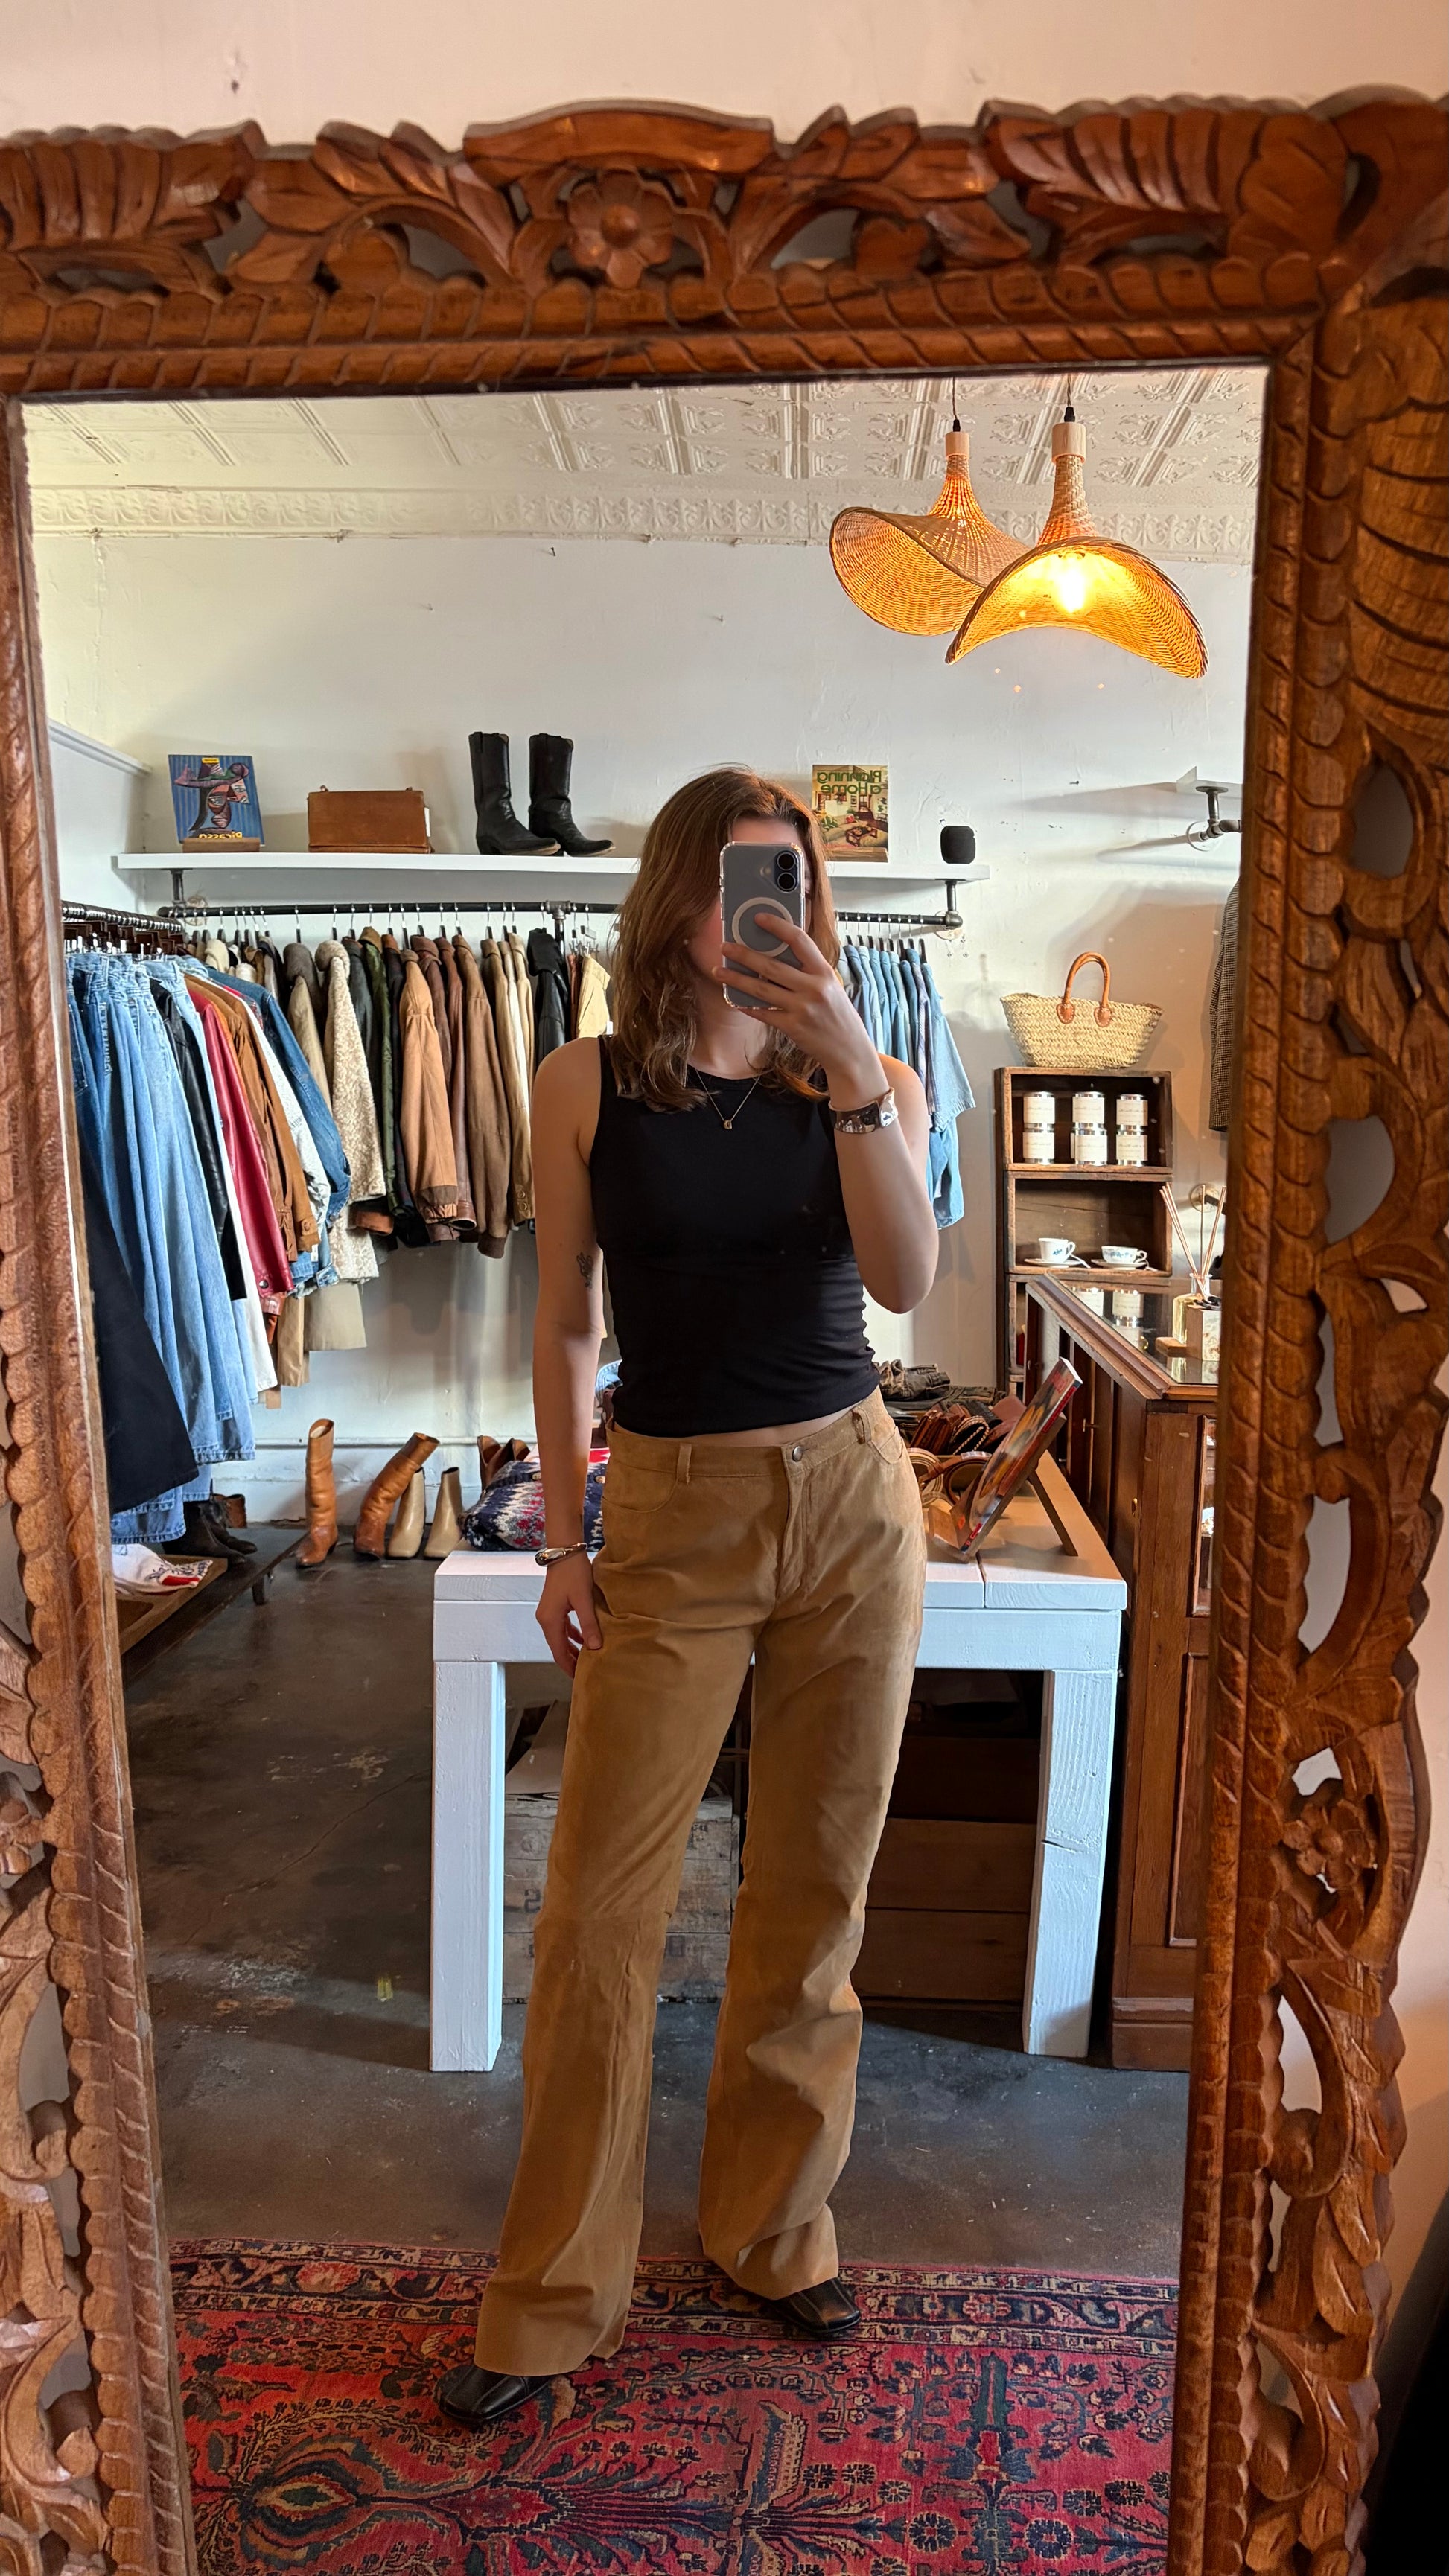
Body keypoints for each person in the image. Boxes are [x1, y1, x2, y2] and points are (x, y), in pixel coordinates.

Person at [438, 765, 937, 2432]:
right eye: (737, 878)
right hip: (668, 1512)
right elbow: (566, 1321)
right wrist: (562, 1539)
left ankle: (773, 2228)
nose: (762, 911)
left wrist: (852, 1067)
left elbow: (905, 1281)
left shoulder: (866, 1077)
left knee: (815, 1891)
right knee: (598, 1911)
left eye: (789, 880)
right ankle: (548, 2293)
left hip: (851, 1500)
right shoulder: (581, 1080)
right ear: (677, 893)